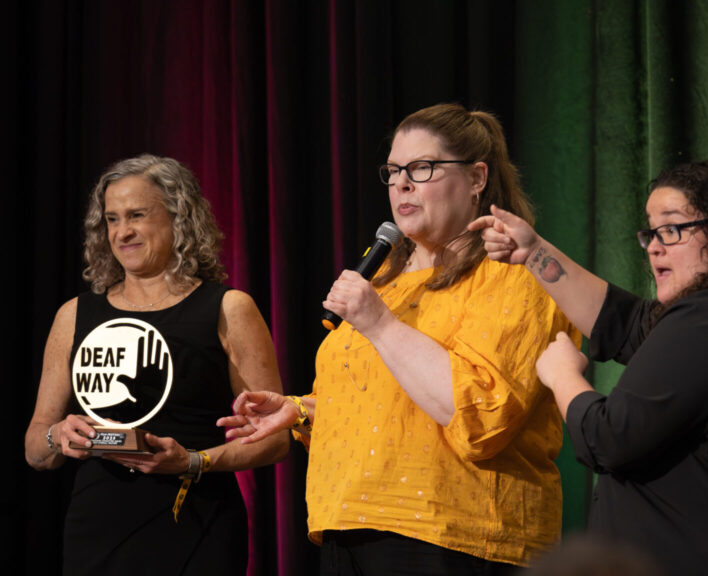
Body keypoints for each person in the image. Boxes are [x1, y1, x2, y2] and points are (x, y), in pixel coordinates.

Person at [219, 103, 579, 574]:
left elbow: (479, 416)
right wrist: (303, 409)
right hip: (350, 528)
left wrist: (380, 324)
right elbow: (393, 404)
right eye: (392, 171)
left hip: (456, 538)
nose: (401, 184)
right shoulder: (384, 279)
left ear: (476, 178)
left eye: (422, 168)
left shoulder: (515, 274)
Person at [471, 160, 708, 575]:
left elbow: (610, 438)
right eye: (652, 232)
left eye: (673, 229)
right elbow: (625, 324)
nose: (654, 247)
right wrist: (534, 252)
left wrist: (562, 376)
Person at [25, 154, 288, 576]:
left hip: (196, 524)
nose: (122, 231)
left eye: (137, 215)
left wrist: (193, 462)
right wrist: (58, 436)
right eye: (111, 219)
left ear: (179, 218)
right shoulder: (73, 315)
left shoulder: (228, 308)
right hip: (97, 530)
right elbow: (35, 447)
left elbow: (276, 439)